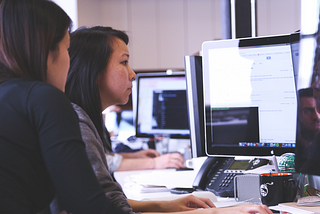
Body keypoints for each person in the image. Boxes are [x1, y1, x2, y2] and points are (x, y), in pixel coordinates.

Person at [58, 25, 273, 214]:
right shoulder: (76, 124)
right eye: (124, 62)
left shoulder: (82, 119)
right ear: (92, 70)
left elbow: (109, 202)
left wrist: (164, 206)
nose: (132, 74)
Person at [0, 0, 123, 213]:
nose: (70, 60)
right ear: (46, 49)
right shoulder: (44, 98)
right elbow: (87, 206)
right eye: (67, 48)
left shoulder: (9, 95)